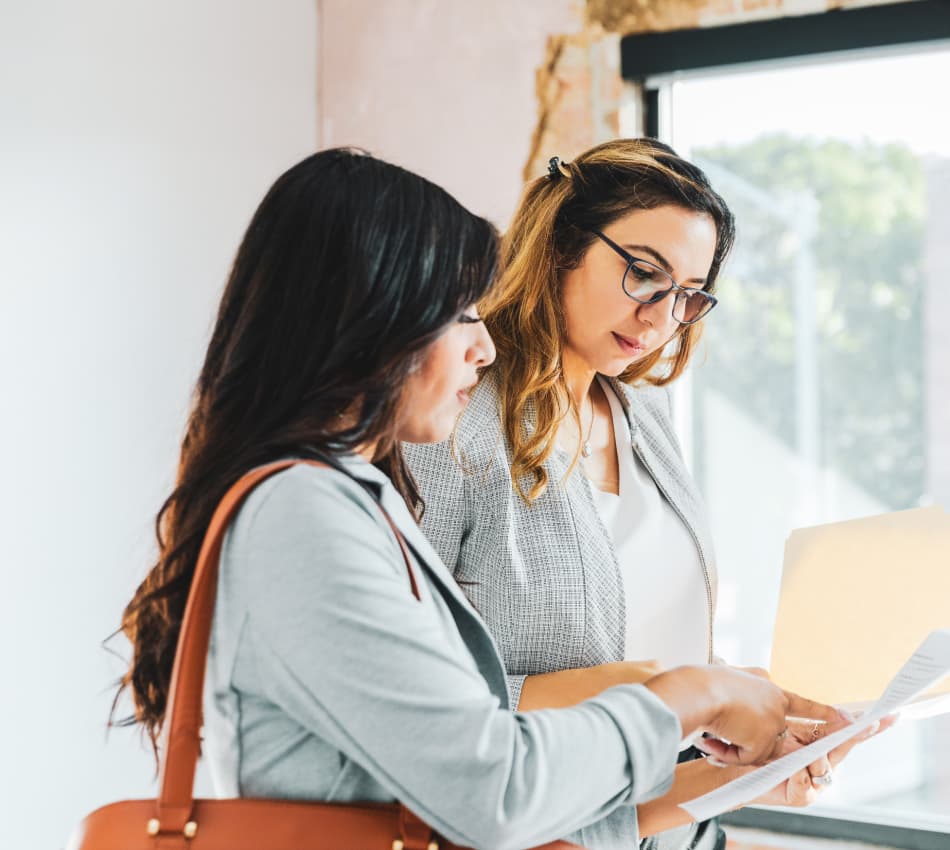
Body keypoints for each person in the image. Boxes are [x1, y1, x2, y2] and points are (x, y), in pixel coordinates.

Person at [116, 147, 841, 850]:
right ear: (375, 320)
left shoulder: (336, 498)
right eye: (460, 312)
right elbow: (493, 787)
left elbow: (484, 764)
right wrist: (687, 695)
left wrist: (728, 770)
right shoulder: (301, 513)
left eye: (686, 295)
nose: (484, 344)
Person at [403, 139, 881, 848]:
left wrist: (744, 741)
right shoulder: (452, 422)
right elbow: (421, 698)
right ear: (561, 247)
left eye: (688, 295)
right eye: (643, 274)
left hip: (676, 831)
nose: (660, 318)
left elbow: (659, 639)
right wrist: (677, 688)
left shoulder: (644, 417)